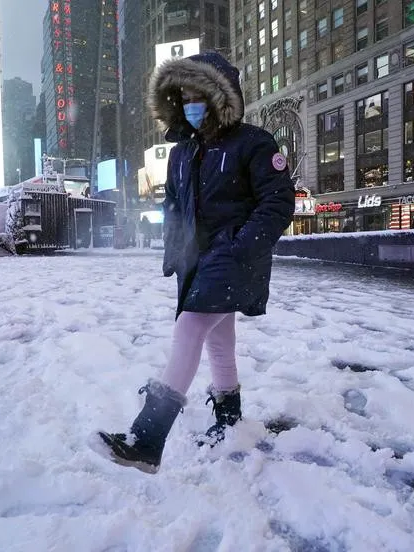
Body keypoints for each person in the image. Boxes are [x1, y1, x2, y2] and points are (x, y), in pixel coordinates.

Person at [94, 52, 295, 474]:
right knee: (219, 340)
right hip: (198, 262)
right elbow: (172, 205)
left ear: (218, 96)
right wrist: (175, 247)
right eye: (182, 96)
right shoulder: (182, 152)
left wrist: (241, 247)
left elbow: (278, 202)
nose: (189, 103)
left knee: (189, 329)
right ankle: (229, 418)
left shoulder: (253, 143)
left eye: (197, 95)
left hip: (234, 257)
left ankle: (147, 438)